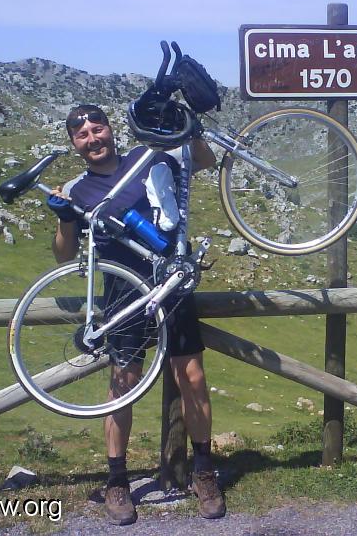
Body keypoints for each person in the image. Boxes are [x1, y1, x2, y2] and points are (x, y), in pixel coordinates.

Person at [48, 104, 224, 525]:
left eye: (97, 129)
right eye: (82, 135)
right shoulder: (76, 189)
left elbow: (204, 159)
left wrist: (188, 124)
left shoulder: (150, 157)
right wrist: (65, 219)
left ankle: (203, 472)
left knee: (192, 377)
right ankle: (117, 481)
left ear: (111, 130)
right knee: (122, 385)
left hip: (171, 283)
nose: (92, 139)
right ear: (73, 144)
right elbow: (64, 254)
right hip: (122, 292)